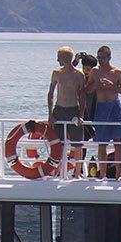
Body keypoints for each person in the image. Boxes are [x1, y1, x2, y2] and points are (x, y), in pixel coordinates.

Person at [86, 45, 121, 178]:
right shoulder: (94, 72)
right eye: (99, 57)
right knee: (102, 143)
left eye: (103, 58)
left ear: (109, 57)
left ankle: (118, 173)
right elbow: (87, 90)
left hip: (114, 108)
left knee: (117, 142)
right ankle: (102, 173)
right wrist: (95, 85)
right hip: (101, 107)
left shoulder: (117, 72)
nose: (100, 60)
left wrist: (113, 86)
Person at [46, 46, 85, 178]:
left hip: (73, 110)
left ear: (65, 58)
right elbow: (50, 94)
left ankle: (77, 173)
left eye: (59, 57)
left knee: (77, 144)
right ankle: (58, 171)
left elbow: (82, 95)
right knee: (59, 143)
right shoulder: (56, 73)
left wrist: (81, 115)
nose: (57, 60)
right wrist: (50, 114)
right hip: (59, 110)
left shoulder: (79, 75)